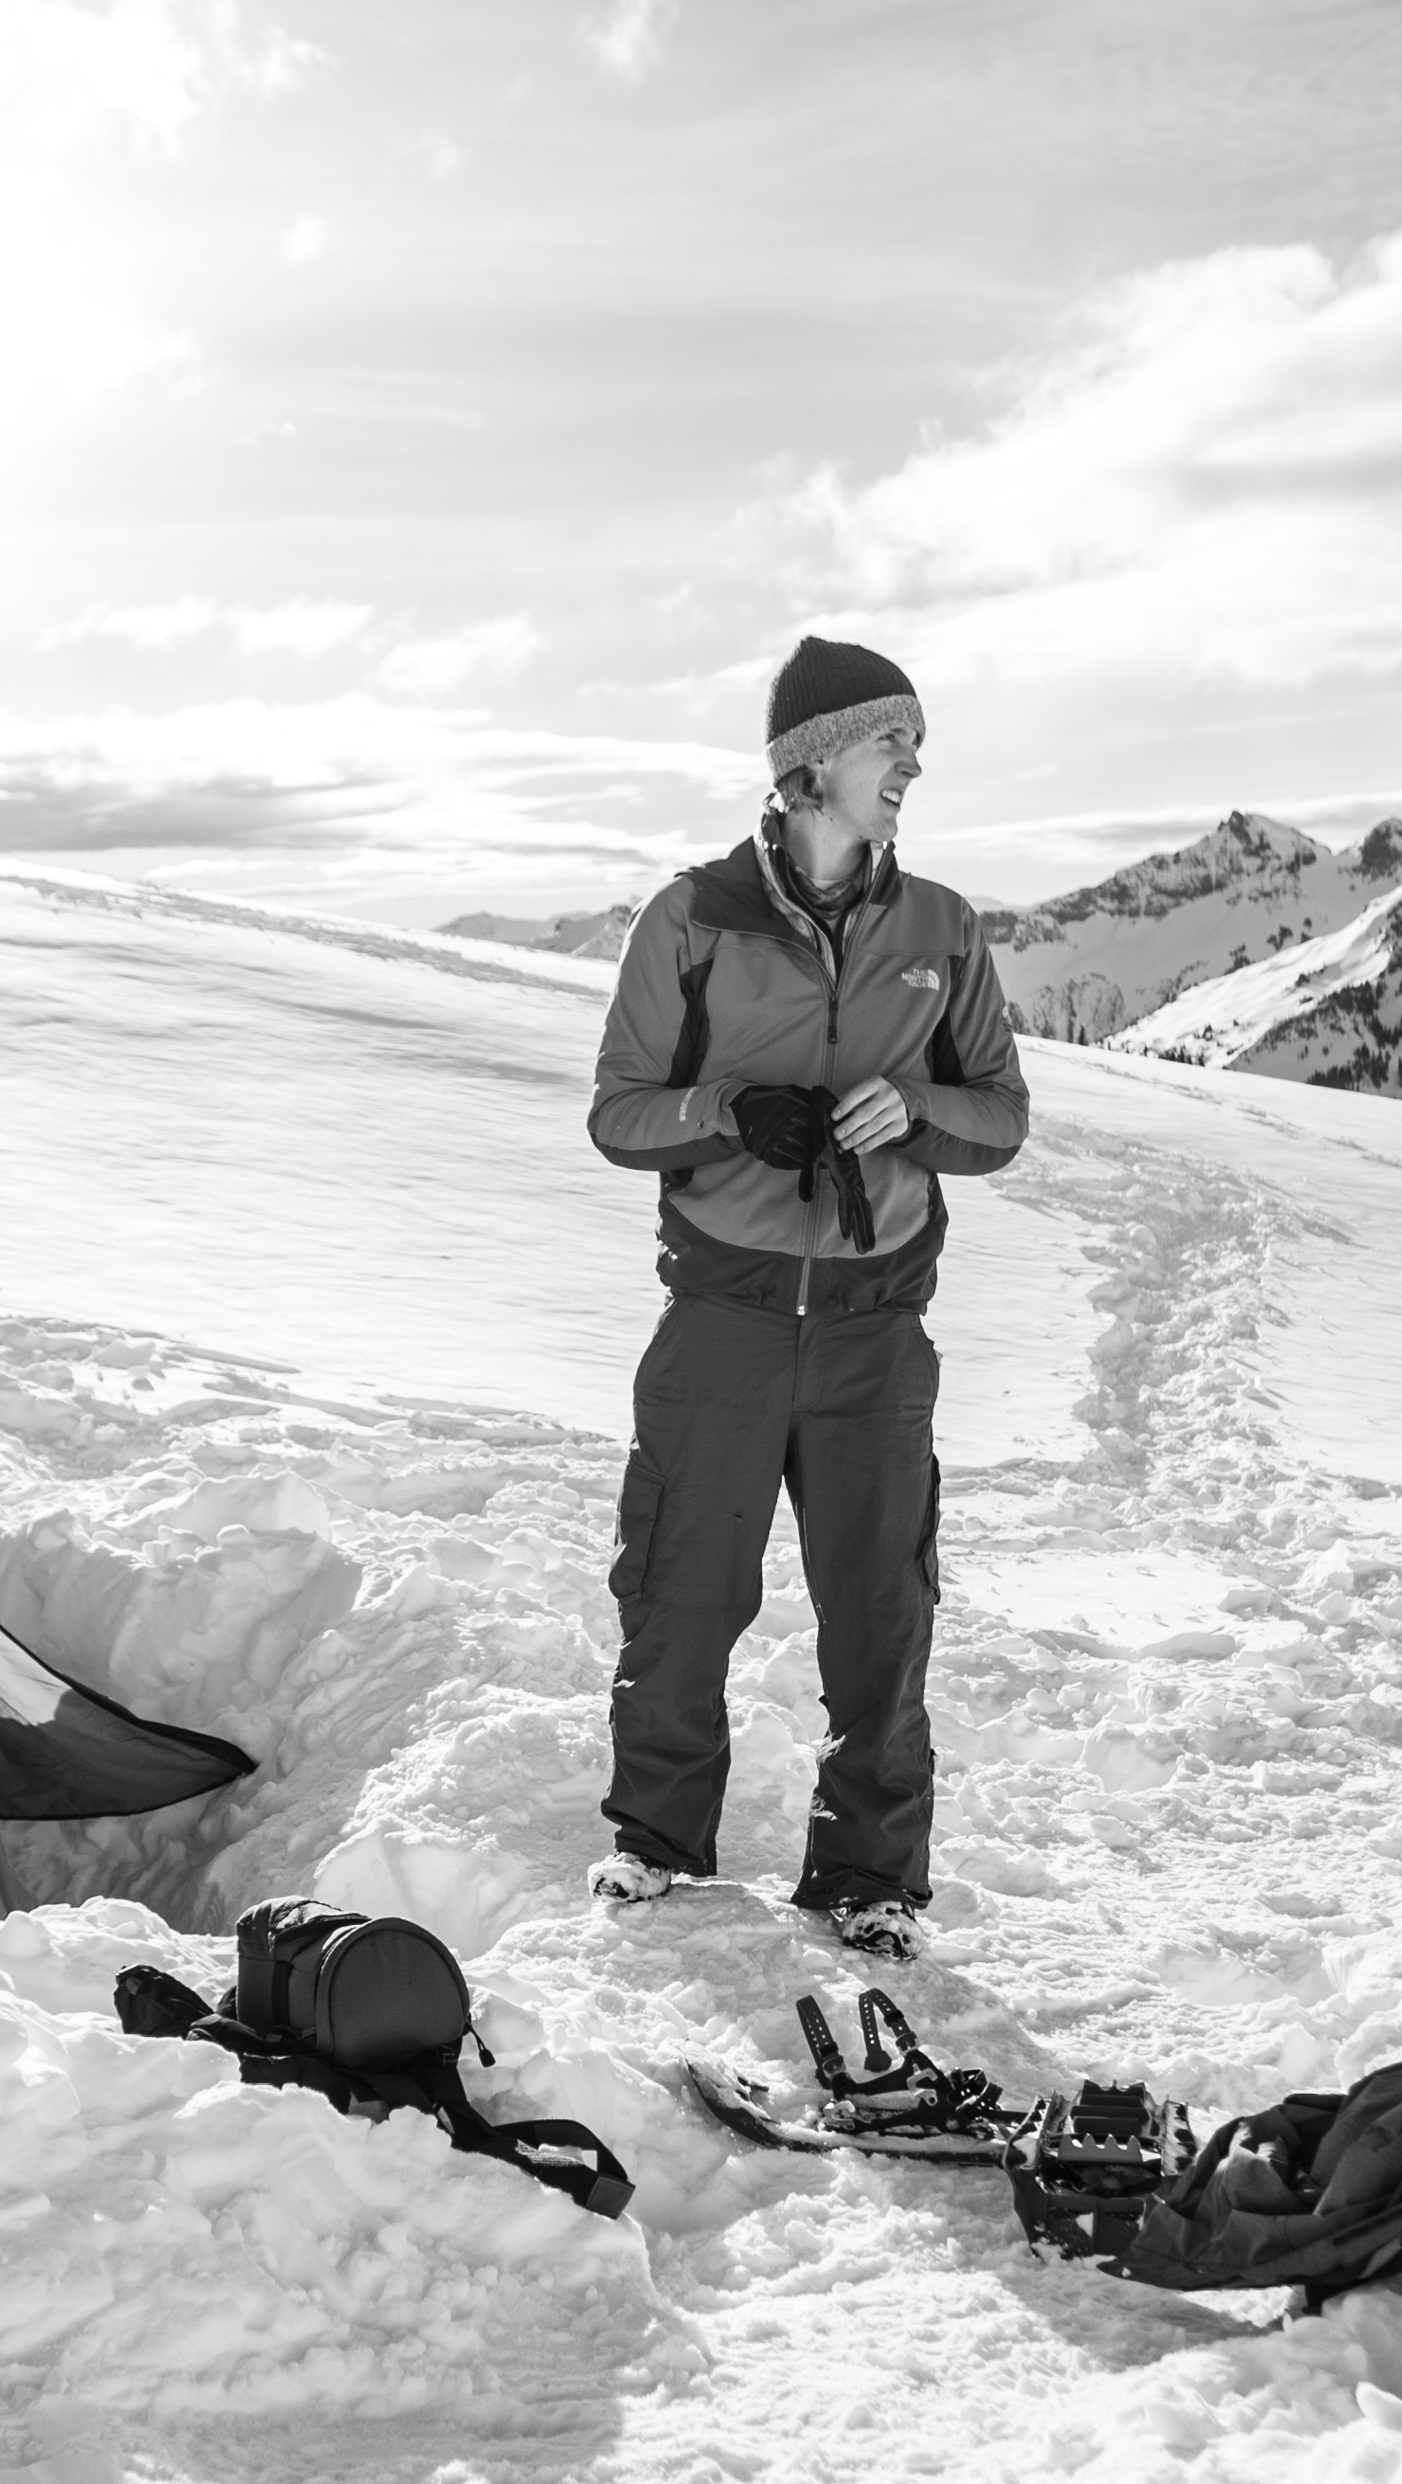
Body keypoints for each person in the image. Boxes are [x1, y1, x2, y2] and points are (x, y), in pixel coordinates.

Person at [580, 634, 1032, 1958]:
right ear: (810, 763)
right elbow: (617, 1112)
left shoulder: (940, 931)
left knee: (881, 1609)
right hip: (720, 1319)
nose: (912, 768)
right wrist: (728, 1110)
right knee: (679, 1593)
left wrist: (918, 1112)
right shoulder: (692, 922)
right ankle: (657, 1848)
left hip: (873, 1330)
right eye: (892, 743)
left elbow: (999, 1120)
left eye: (913, 747)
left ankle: (869, 1879)